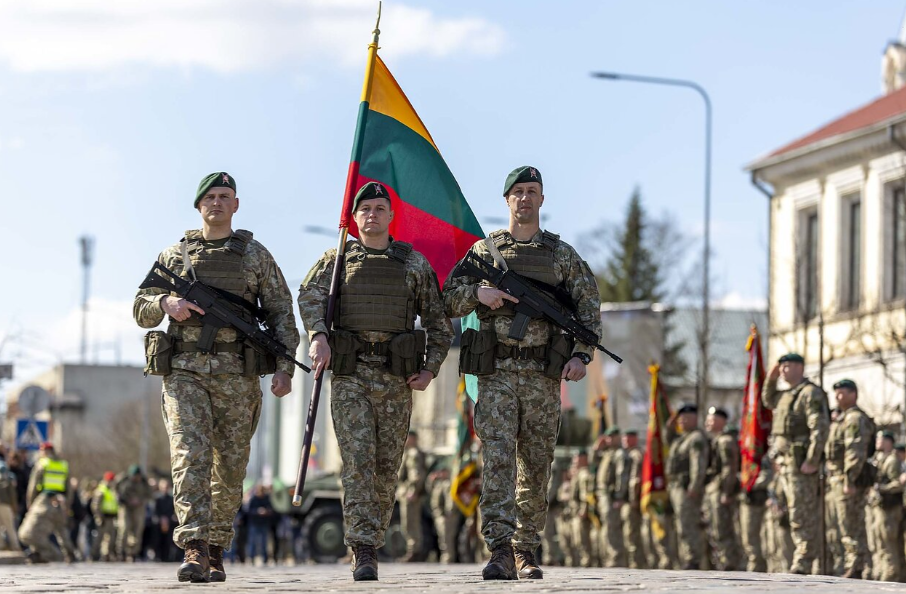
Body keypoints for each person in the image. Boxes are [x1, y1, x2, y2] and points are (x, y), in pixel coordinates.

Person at [133, 171, 300, 582]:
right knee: (189, 454)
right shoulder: (175, 256)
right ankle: (192, 545)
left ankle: (215, 546)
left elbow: (281, 314)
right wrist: (166, 303)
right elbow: (140, 306)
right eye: (210, 197)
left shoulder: (255, 256)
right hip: (185, 372)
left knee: (229, 466)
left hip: (238, 378)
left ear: (236, 205)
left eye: (225, 196)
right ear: (198, 206)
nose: (217, 203)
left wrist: (284, 369)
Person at [442, 166, 602, 580]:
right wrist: (480, 293)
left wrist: (581, 357)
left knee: (535, 463)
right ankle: (498, 549)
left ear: (542, 200)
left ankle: (525, 549)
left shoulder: (560, 255)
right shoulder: (486, 252)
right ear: (507, 201)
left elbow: (588, 309)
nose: (525, 199)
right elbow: (448, 297)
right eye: (518, 192)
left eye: (533, 192)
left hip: (542, 375)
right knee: (496, 461)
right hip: (495, 373)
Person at [298, 181, 453, 581]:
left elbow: (438, 323)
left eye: (379, 208)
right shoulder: (337, 260)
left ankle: (373, 536)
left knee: (386, 468)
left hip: (396, 378)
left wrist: (432, 368)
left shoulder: (413, 264)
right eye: (364, 208)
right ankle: (362, 546)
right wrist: (318, 335)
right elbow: (308, 296)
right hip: (351, 376)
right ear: (354, 217)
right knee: (359, 459)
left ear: (391, 216)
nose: (371, 214)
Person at [761, 353, 829, 575]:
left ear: (800, 367)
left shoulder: (810, 393)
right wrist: (770, 379)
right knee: (789, 512)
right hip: (784, 465)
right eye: (781, 367)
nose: (782, 370)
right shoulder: (785, 395)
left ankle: (804, 561)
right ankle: (798, 558)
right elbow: (767, 400)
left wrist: (812, 459)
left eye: (787, 366)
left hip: (800, 464)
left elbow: (820, 428)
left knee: (802, 512)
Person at [823, 379, 873, 578]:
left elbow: (855, 451)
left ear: (853, 394)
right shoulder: (842, 418)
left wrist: (849, 479)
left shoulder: (854, 419)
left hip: (847, 480)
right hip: (836, 479)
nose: (837, 397)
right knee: (843, 525)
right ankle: (852, 564)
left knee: (850, 523)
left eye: (842, 393)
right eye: (836, 393)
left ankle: (856, 566)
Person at [665, 404, 709, 570]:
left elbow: (698, 464)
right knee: (681, 524)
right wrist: (669, 427)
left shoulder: (696, 438)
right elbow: (668, 440)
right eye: (680, 418)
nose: (681, 421)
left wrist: (695, 486)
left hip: (686, 488)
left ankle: (693, 559)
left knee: (689, 524)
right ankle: (687, 558)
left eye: (685, 418)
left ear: (694, 419)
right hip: (676, 487)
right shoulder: (681, 438)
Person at [18, 442, 77, 563]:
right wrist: (67, 505)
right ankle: (70, 555)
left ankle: (50, 554)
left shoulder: (42, 464)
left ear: (44, 452)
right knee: (61, 531)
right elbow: (69, 489)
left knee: (29, 531)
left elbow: (33, 486)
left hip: (44, 500)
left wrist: (31, 503)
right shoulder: (63, 465)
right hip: (61, 501)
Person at [704, 406, 740, 570]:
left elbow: (729, 468)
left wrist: (727, 491)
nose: (707, 422)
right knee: (715, 529)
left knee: (723, 529)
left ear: (721, 421)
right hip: (714, 489)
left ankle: (729, 563)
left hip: (720, 490)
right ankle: (722, 562)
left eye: (711, 419)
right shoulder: (717, 439)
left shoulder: (725, 441)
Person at [597, 427, 627, 567]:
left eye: (612, 437)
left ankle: (616, 558)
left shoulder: (619, 454)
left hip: (611, 495)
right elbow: (593, 461)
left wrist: (619, 496)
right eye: (608, 437)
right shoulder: (607, 453)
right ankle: (610, 556)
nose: (609, 440)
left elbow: (622, 475)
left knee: (612, 526)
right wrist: (597, 447)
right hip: (603, 495)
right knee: (607, 526)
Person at [875, 433, 903, 581]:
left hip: (890, 509)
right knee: (882, 544)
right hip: (882, 507)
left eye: (881, 439)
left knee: (890, 546)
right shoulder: (881, 459)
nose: (877, 442)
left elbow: (898, 484)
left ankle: (892, 577)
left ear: (888, 442)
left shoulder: (891, 461)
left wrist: (882, 489)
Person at [397, 431, 427, 562]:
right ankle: (413, 550)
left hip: (410, 493)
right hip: (407, 492)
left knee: (410, 523)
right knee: (409, 523)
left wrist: (413, 490)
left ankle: (414, 551)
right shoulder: (409, 452)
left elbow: (417, 474)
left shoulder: (414, 453)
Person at [739, 453, 772, 572]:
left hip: (758, 498)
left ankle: (758, 567)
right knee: (748, 536)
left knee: (759, 536)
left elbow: (768, 474)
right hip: (749, 498)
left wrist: (751, 484)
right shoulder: (748, 454)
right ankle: (754, 565)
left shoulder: (762, 453)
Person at [115, 465, 153, 562]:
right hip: (126, 507)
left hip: (139, 508)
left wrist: (140, 501)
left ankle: (133, 552)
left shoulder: (144, 483)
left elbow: (149, 494)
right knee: (124, 528)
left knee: (137, 530)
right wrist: (127, 500)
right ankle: (121, 551)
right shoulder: (123, 481)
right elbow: (117, 492)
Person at [621, 430, 646, 569]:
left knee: (632, 533)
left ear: (635, 439)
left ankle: (636, 563)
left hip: (633, 499)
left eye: (629, 437)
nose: (625, 440)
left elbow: (635, 478)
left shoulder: (635, 454)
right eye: (625, 437)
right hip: (629, 499)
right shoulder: (629, 453)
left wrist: (633, 498)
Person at [91, 472, 119, 562]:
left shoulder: (112, 490)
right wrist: (99, 517)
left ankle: (106, 555)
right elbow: (95, 506)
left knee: (110, 538)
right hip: (103, 517)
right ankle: (93, 556)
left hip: (111, 517)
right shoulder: (101, 490)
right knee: (99, 538)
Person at [245, 483, 274, 566]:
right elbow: (248, 511)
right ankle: (251, 558)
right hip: (254, 523)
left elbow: (271, 509)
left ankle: (265, 559)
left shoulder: (266, 499)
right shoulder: (253, 499)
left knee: (264, 542)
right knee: (252, 542)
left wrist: (266, 511)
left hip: (264, 523)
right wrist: (257, 511)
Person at [0, 442, 20, 552]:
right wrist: (14, 504)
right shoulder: (3, 466)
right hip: (4, 500)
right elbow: (9, 487)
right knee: (9, 526)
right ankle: (15, 546)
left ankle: (2, 546)